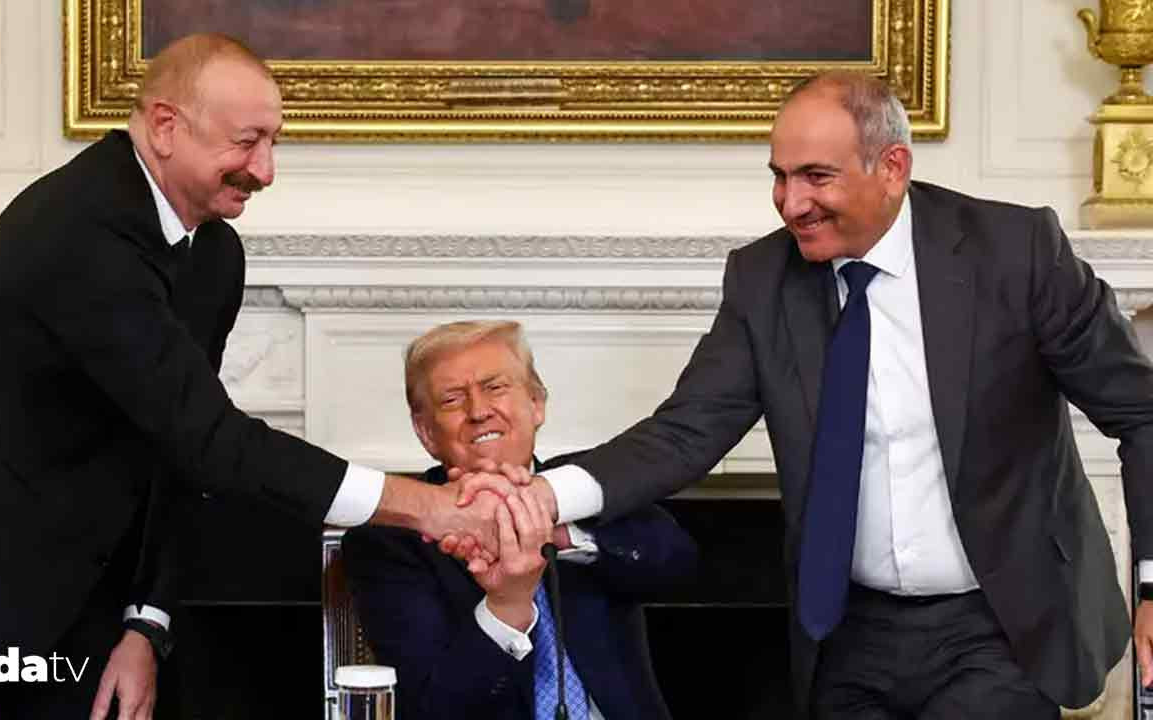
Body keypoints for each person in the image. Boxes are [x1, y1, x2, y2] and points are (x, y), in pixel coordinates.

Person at [453, 71, 1153, 719]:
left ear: (892, 167)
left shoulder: (1015, 251)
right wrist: (544, 496)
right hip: (847, 634)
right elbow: (685, 433)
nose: (792, 203)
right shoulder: (763, 280)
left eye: (816, 176)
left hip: (999, 622)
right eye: (780, 177)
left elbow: (1141, 412)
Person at [0, 34, 496, 720]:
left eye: (273, 142)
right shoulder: (80, 227)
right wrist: (424, 505)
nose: (265, 171)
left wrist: (147, 623)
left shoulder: (215, 254)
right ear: (166, 127)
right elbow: (212, 440)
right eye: (247, 142)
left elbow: (177, 453)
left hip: (71, 585)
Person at [342, 320, 698, 720]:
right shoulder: (393, 536)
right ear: (426, 432)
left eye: (495, 387)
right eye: (452, 400)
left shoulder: (583, 485)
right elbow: (432, 708)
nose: (479, 411)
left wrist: (558, 531)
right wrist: (505, 607)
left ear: (536, 403)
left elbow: (678, 564)